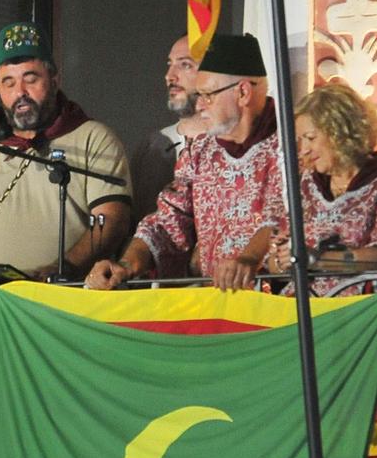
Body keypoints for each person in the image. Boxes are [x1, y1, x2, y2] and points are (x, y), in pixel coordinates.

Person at [0, 23, 132, 277]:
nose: (20, 92)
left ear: (55, 80)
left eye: (30, 79)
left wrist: (64, 269)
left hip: (68, 296)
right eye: (8, 83)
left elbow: (111, 219)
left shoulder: (93, 138)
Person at [85, 33, 284, 291]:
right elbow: (167, 222)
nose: (199, 105)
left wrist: (249, 259)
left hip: (277, 310)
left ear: (243, 92)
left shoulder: (291, 148)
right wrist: (126, 264)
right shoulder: (200, 150)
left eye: (207, 95)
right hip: (213, 307)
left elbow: (287, 219)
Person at [255, 81, 377, 293]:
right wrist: (282, 260)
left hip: (358, 307)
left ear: (341, 132)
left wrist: (318, 259)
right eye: (299, 141)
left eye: (310, 138)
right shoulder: (304, 182)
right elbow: (273, 257)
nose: (302, 150)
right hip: (300, 305)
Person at [127, 35, 211, 233]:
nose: (170, 76)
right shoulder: (152, 146)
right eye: (170, 64)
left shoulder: (230, 146)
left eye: (185, 65)